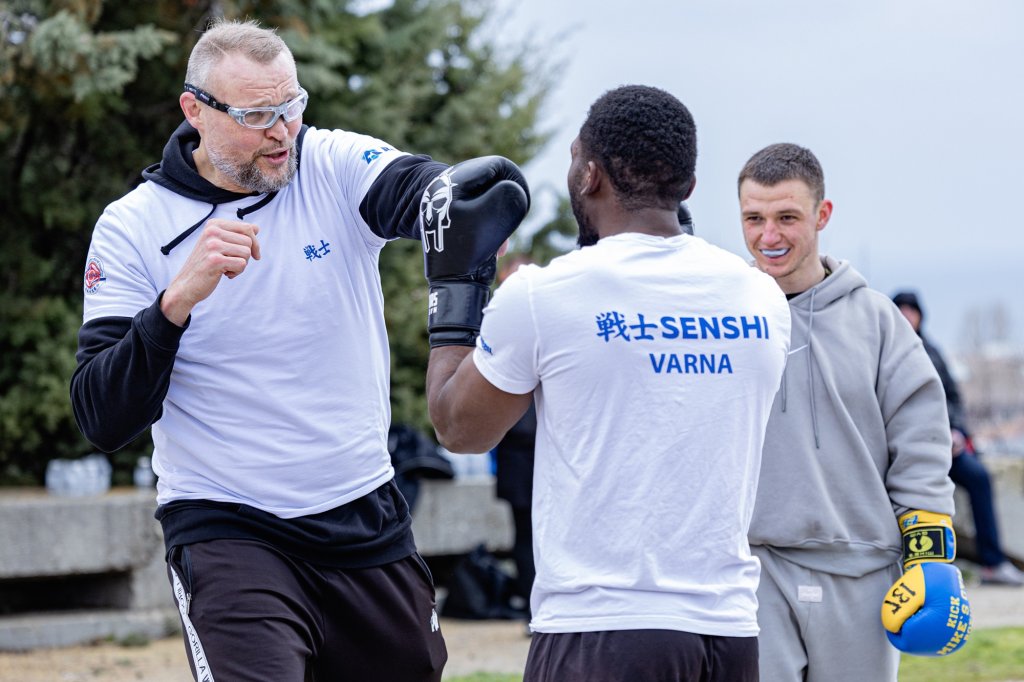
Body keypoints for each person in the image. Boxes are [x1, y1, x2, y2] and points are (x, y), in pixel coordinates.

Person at [69, 19, 528, 682]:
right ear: (194, 111)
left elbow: (413, 187)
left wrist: (452, 208)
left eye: (291, 106)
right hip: (227, 524)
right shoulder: (134, 225)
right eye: (258, 115)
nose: (282, 132)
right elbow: (101, 415)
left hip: (362, 512)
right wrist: (175, 304)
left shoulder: (327, 163)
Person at [425, 84, 792, 682]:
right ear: (688, 189)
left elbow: (459, 428)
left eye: (574, 159)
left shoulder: (545, 295)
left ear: (588, 175)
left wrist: (455, 287)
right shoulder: (761, 296)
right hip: (726, 632)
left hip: (599, 626)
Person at [738, 143, 972, 682]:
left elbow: (921, 439)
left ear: (822, 215)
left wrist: (930, 556)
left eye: (786, 218)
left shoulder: (878, 321)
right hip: (753, 569)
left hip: (864, 572)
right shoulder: (724, 315)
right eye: (754, 218)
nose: (768, 237)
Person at [892, 290, 1024, 586]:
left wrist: (957, 432)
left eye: (911, 311)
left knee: (978, 477)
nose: (906, 317)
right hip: (902, 452)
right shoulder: (882, 350)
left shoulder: (933, 352)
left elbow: (952, 399)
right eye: (900, 310)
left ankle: (992, 563)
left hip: (943, 447)